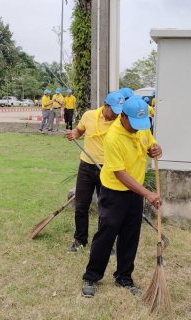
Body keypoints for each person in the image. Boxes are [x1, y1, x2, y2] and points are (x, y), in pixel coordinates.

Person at [81, 97, 162, 298]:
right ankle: (92, 276)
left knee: (130, 235)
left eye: (140, 125)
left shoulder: (141, 126)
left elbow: (150, 146)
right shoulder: (113, 137)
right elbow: (120, 174)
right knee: (106, 235)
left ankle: (124, 277)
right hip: (114, 192)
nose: (137, 129)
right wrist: (148, 193)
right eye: (133, 124)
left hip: (136, 193)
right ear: (123, 116)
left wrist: (155, 150)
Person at [64, 91, 124, 253]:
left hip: (108, 170)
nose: (117, 115)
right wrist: (73, 134)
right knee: (81, 206)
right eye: (114, 111)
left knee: (105, 208)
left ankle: (105, 243)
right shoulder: (89, 116)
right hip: (86, 167)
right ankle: (80, 240)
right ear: (105, 106)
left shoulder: (121, 122)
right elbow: (79, 130)